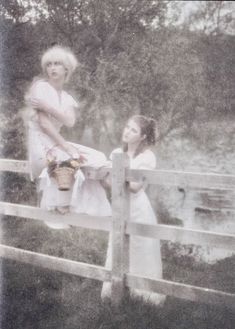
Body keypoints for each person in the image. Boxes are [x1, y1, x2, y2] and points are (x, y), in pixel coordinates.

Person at [25, 45, 111, 228]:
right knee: (68, 158)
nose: (52, 68)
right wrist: (66, 146)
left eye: (57, 64)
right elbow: (45, 125)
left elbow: (70, 121)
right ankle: (62, 206)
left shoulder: (66, 98)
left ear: (66, 69)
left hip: (56, 143)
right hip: (41, 144)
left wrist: (47, 107)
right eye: (49, 65)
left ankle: (86, 205)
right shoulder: (40, 87)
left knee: (97, 157)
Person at [101, 115, 165, 305]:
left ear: (143, 136)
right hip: (120, 209)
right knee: (117, 247)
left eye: (133, 130)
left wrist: (115, 177)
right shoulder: (116, 153)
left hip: (138, 209)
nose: (127, 132)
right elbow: (107, 183)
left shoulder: (147, 157)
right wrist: (106, 177)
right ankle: (115, 294)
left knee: (141, 251)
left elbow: (136, 187)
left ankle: (144, 299)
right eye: (127, 127)